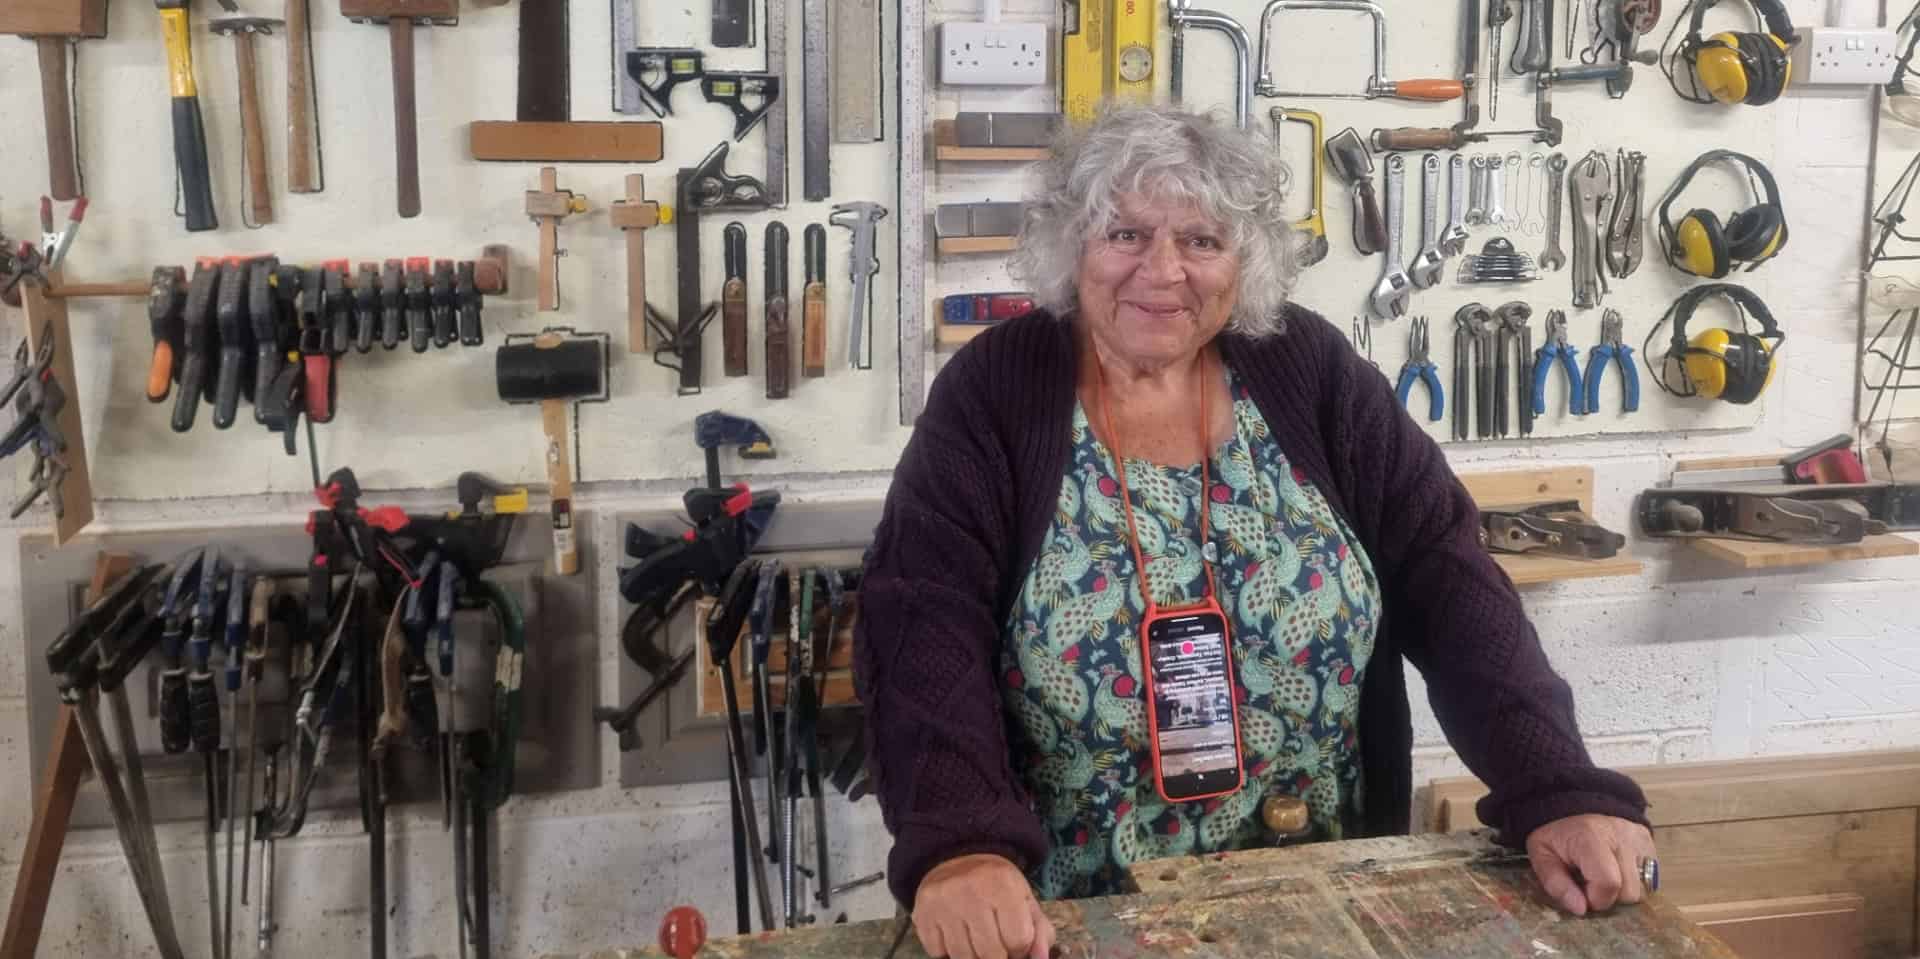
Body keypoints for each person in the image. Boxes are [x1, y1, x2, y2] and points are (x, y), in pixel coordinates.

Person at [853, 104, 1654, 959]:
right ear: (1071, 245)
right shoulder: (996, 391)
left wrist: (1556, 782)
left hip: (1323, 897)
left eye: (1202, 241)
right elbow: (923, 617)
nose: (1162, 271)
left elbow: (1446, 574)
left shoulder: (1307, 368)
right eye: (1125, 233)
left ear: (1247, 261)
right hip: (1077, 913)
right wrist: (961, 844)